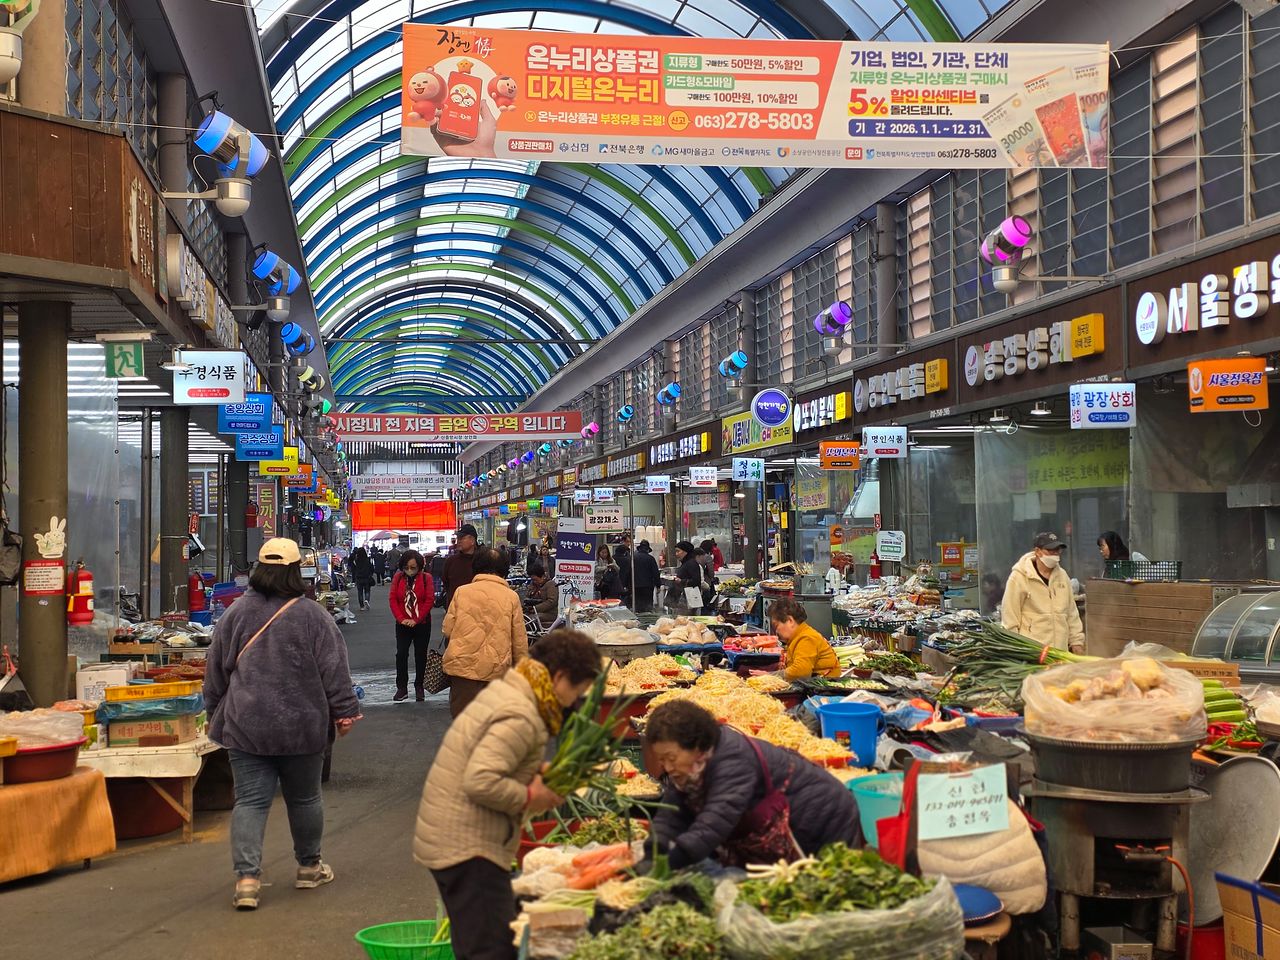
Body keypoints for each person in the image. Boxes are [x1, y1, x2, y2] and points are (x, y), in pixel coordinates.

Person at [413, 630, 603, 960]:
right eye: (577, 691)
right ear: (559, 677)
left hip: (452, 839)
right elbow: (481, 780)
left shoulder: (514, 690)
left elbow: (493, 759)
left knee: (475, 943)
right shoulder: (521, 713)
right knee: (492, 949)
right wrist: (533, 796)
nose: (575, 702)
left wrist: (534, 774)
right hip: (468, 847)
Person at [203, 538, 362, 911]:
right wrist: (344, 712)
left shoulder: (236, 613)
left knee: (251, 802)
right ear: (296, 571)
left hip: (247, 723)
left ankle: (246, 880)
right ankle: (308, 868)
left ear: (258, 570)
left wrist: (214, 713)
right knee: (305, 798)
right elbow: (335, 670)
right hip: (302, 724)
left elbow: (215, 672)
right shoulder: (314, 616)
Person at [646, 699, 861, 869]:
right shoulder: (692, 767)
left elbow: (716, 820)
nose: (666, 767)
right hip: (791, 821)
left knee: (823, 885)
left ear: (695, 745)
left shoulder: (732, 761)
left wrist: (672, 861)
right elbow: (674, 810)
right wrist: (654, 847)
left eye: (671, 758)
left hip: (824, 817)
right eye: (661, 760)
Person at [442, 547, 529, 718]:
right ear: (504, 569)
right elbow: (519, 641)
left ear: (477, 567)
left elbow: (447, 629)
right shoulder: (511, 597)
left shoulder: (462, 592)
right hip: (496, 671)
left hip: (462, 669)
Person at [1002, 531, 1086, 654]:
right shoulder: (1019, 577)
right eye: (1051, 551)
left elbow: (1071, 613)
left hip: (1060, 652)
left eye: (1058, 551)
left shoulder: (1062, 576)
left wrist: (1076, 642)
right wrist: (1016, 650)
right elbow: (1010, 616)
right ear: (1037, 551)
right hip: (1033, 652)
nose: (1055, 555)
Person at [389, 549, 435, 702]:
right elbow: (393, 599)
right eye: (407, 567)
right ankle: (402, 688)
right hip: (402, 624)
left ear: (420, 567)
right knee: (401, 654)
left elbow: (429, 600)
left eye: (413, 567)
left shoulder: (426, 578)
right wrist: (401, 619)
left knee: (420, 655)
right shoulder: (398, 577)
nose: (410, 571)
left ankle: (419, 686)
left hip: (422, 623)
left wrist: (416, 619)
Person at [769, 597, 841, 680]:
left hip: (824, 688)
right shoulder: (798, 637)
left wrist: (769, 676)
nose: (776, 631)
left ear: (790, 621)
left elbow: (800, 672)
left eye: (776, 626)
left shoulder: (807, 638)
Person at [443, 524, 479, 611]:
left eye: (462, 538)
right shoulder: (451, 561)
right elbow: (446, 584)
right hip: (455, 609)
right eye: (458, 538)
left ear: (472, 540)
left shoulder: (482, 560)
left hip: (477, 609)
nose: (458, 541)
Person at [522, 561, 559, 629]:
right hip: (532, 611)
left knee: (529, 620)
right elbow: (527, 597)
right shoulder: (533, 585)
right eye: (532, 579)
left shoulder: (551, 584)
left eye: (535, 579)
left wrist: (535, 608)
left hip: (549, 613)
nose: (534, 581)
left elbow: (551, 602)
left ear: (542, 576)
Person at [630, 540, 662, 614]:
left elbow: (629, 572)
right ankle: (647, 621)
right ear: (647, 549)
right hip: (648, 586)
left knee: (637, 607)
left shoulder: (633, 558)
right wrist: (658, 585)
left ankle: (638, 621)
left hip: (635, 586)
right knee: (647, 607)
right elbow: (655, 573)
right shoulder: (650, 558)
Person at [672, 541, 702, 610]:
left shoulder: (691, 563)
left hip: (689, 599)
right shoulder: (685, 563)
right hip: (684, 599)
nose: (676, 554)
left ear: (686, 552)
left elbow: (696, 581)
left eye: (678, 551)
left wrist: (681, 581)